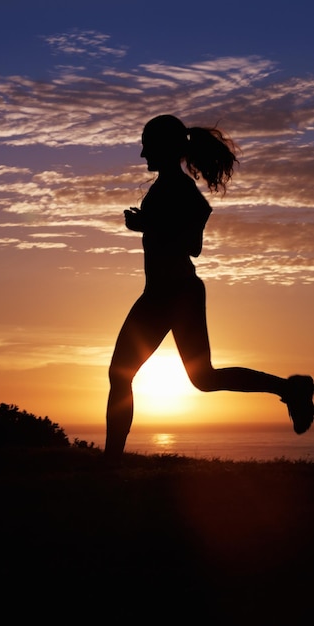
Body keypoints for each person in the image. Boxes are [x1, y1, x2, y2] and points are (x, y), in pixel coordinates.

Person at [104, 114, 314, 465]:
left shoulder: (181, 189)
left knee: (127, 374)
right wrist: (147, 226)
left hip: (175, 293)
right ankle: (291, 389)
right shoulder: (165, 187)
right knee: (200, 378)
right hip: (163, 293)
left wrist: (147, 224)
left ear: (164, 148)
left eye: (147, 145)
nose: (142, 154)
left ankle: (110, 463)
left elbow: (192, 244)